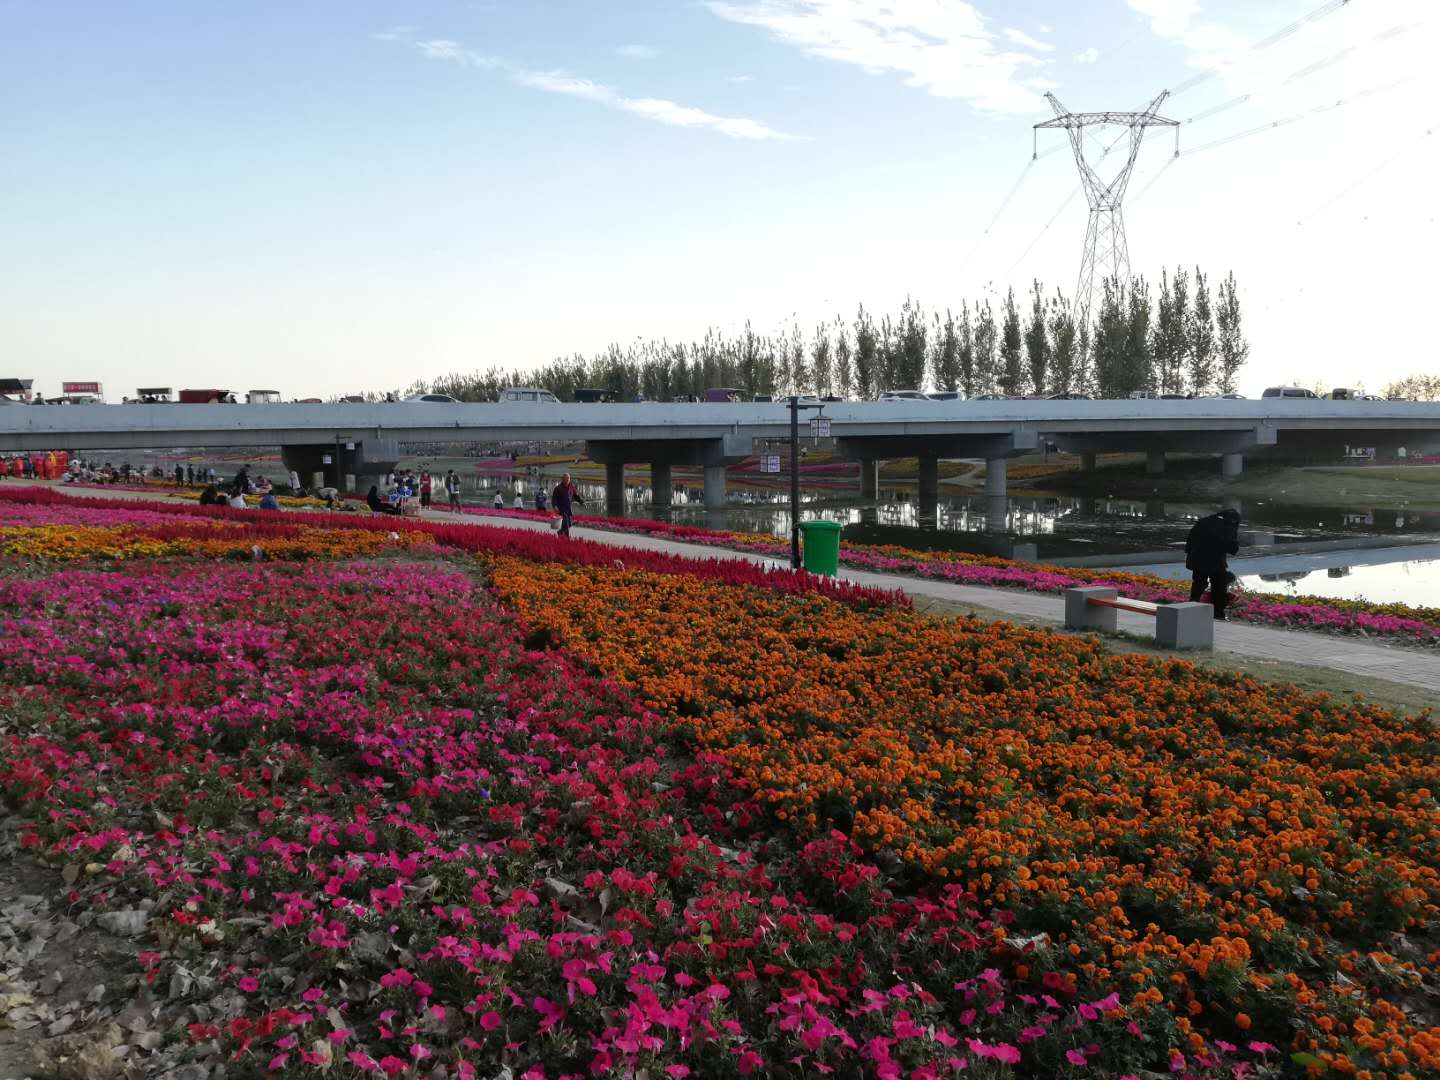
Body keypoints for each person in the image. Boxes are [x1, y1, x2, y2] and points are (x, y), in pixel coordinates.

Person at [1185, 508, 1241, 620]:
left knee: (1198, 585)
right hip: (1215, 562)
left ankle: (1191, 608)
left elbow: (1189, 541)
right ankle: (1218, 614)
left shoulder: (1203, 521)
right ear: (1234, 520)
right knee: (1219, 587)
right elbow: (1233, 549)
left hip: (1197, 559)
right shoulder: (1228, 526)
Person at [551, 472, 584, 538]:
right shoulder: (558, 488)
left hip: (568, 508)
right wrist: (555, 506)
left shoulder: (571, 487)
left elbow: (576, 496)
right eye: (566, 478)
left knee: (569, 523)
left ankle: (560, 532)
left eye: (568, 478)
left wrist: (581, 502)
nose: (567, 480)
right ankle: (567, 537)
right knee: (566, 520)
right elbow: (554, 499)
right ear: (562, 479)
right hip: (561, 508)